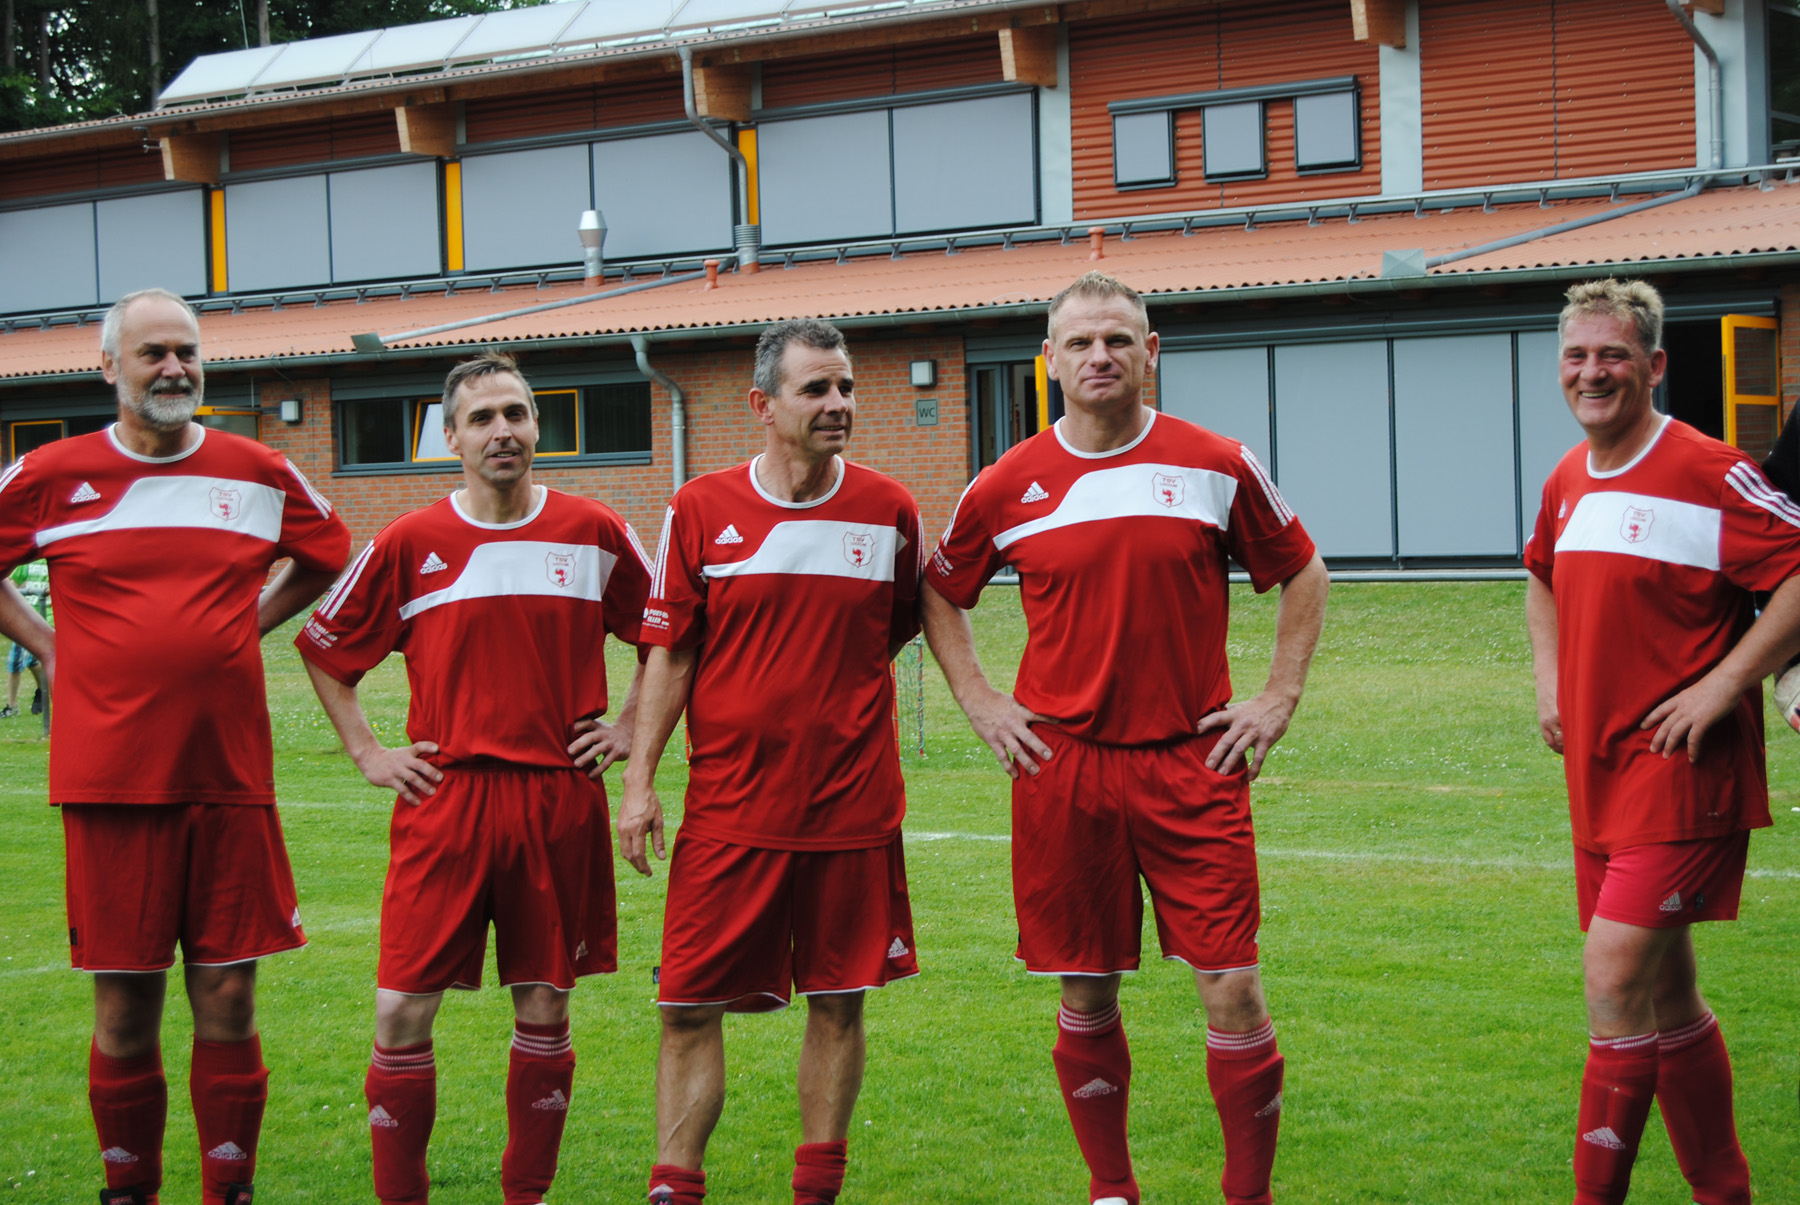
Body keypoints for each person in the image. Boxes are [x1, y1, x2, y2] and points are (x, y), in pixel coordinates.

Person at [921, 271, 1328, 1205]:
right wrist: (981, 700)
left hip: (1192, 761)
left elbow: (1304, 571)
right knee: (1086, 988)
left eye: (1117, 339)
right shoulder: (1007, 482)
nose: (1098, 356)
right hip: (1064, 767)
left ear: (1151, 351)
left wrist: (1277, 696)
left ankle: (1248, 1196)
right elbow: (941, 591)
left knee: (1233, 987)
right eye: (1079, 342)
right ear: (1049, 360)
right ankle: (1112, 1188)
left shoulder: (1216, 462)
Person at [0, 286, 351, 1205]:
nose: (173, 368)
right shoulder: (50, 473)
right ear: (108, 367)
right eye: (153, 352)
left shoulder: (258, 469)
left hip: (227, 775)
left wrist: (245, 622)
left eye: (186, 352)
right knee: (124, 1004)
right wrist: (47, 645)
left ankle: (227, 1191)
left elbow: (328, 553)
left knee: (229, 995)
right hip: (109, 780)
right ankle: (131, 1192)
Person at [296, 351, 652, 1205]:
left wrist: (631, 724)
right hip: (446, 799)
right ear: (449, 437)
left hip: (556, 797)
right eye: (483, 418)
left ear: (537, 426)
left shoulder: (593, 529)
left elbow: (666, 632)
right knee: (400, 1010)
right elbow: (324, 648)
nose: (503, 431)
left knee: (545, 1004)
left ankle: (525, 1194)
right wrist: (369, 753)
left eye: (516, 413)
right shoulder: (409, 542)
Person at [618, 318, 924, 1205]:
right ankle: (676, 1188)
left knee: (838, 998)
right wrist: (638, 782)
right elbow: (671, 653)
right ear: (763, 403)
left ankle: (815, 1191)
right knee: (686, 1004)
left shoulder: (890, 509)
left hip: (851, 810)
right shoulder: (700, 508)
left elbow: (894, 628)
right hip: (729, 811)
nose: (838, 404)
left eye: (846, 387)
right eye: (815, 388)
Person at [1524, 279, 1800, 1205]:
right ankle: (1726, 1193)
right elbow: (1540, 576)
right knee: (1667, 992)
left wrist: (1727, 682)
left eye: (1613, 354)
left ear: (1654, 365)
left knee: (1612, 978)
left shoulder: (1708, 470)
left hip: (1682, 774)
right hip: (1599, 775)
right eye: (1577, 355)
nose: (1592, 371)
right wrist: (1549, 680)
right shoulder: (1568, 477)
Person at [4, 558, 49, 722]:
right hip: (26, 618)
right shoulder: (28, 560)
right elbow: (12, 583)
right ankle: (39, 692)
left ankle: (13, 706)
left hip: (49, 618)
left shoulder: (52, 560)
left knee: (20, 660)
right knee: (24, 660)